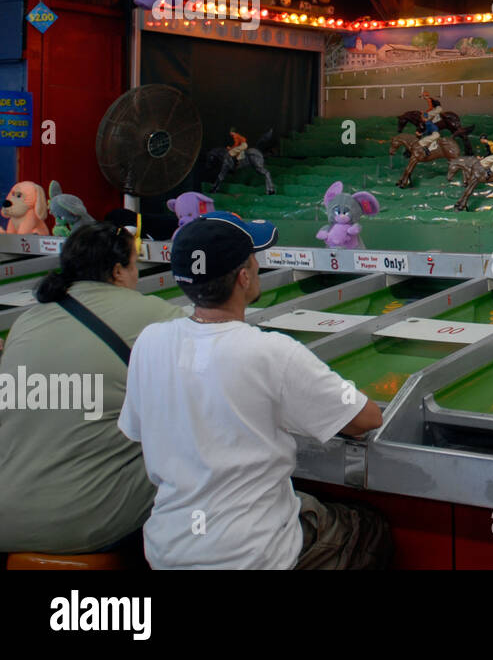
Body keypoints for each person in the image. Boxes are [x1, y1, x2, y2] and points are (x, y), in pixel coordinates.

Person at [118, 211, 389, 569]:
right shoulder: (272, 351)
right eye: (253, 258)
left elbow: (139, 430)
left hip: (167, 550)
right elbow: (365, 419)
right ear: (244, 277)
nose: (258, 265)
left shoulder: (150, 341)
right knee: (368, 528)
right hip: (253, 556)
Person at [0, 222, 187, 556]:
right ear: (118, 271)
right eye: (134, 266)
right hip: (83, 521)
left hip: (8, 518)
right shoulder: (157, 316)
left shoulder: (26, 321)